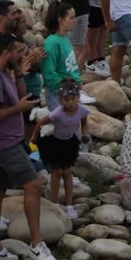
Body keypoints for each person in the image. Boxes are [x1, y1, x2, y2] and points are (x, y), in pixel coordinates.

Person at [0, 32, 58, 260]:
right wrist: (17, 109)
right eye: (18, 52)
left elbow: (19, 97)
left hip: (7, 139)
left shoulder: (4, 72)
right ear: (5, 52)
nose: (23, 55)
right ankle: (37, 243)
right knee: (34, 184)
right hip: (1, 142)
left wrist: (19, 72)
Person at [37, 82, 88, 219]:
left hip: (69, 142)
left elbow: (84, 121)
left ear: (78, 98)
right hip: (54, 143)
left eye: (73, 99)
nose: (70, 103)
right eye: (66, 100)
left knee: (67, 172)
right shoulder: (58, 113)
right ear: (61, 100)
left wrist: (85, 134)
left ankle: (69, 204)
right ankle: (55, 203)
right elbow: (41, 122)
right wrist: (34, 137)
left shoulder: (82, 110)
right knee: (56, 171)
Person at [40, 0, 82, 101]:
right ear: (60, 19)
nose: (74, 20)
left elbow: (72, 68)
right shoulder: (52, 42)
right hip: (60, 95)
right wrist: (68, 89)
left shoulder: (65, 39)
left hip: (72, 92)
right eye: (71, 17)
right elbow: (49, 75)